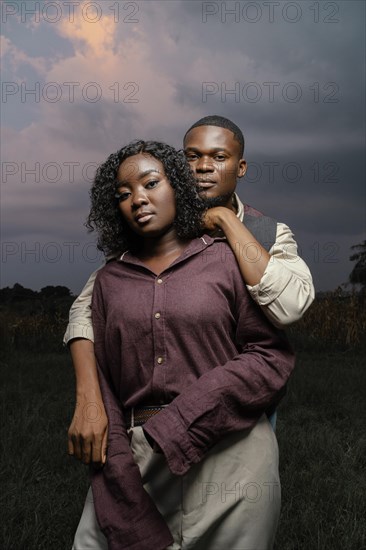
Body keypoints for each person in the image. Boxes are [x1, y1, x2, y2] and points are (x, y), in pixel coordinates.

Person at [71, 140, 295, 550]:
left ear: (177, 186)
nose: (137, 199)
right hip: (141, 450)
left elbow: (270, 356)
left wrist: (185, 418)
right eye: (123, 194)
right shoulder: (107, 282)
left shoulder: (228, 261)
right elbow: (101, 381)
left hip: (234, 452)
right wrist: (119, 458)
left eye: (151, 183)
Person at [65, 116, 314, 466]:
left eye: (219, 157)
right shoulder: (153, 228)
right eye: (192, 156)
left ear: (240, 167)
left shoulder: (268, 232)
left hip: (243, 405)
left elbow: (289, 309)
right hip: (153, 418)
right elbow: (85, 310)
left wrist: (226, 221)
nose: (204, 167)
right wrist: (88, 397)